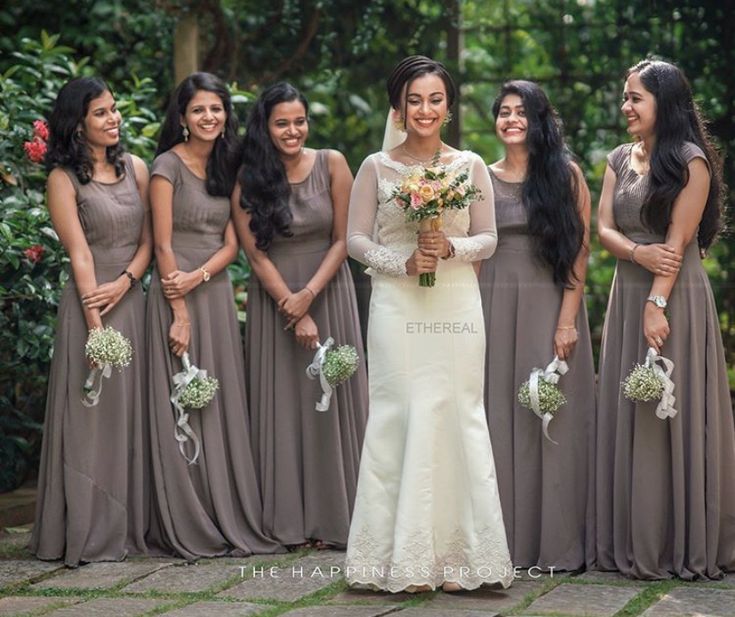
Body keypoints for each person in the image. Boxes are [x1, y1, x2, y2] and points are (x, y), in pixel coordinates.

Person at [344, 55, 513, 592]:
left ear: (449, 106)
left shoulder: (471, 166)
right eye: (414, 99)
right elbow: (356, 241)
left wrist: (450, 248)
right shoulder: (375, 166)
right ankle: (398, 560)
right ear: (398, 106)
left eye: (435, 99)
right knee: (398, 414)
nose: (425, 109)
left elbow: (489, 237)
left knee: (459, 414)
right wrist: (402, 262)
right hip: (396, 306)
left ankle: (464, 558)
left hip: (456, 304)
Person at [596, 59, 735, 579]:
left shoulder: (689, 161)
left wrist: (656, 305)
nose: (626, 106)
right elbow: (604, 228)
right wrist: (636, 254)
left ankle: (679, 541)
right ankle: (632, 537)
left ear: (664, 103)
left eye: (635, 98)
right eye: (625, 96)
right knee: (632, 409)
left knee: (667, 413)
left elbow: (676, 245)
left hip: (674, 297)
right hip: (628, 288)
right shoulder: (617, 159)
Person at [146, 72, 282, 560]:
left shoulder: (230, 164)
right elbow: (161, 244)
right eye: (199, 110)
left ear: (227, 115)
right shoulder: (166, 166)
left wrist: (199, 278)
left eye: (217, 109)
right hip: (171, 292)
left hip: (214, 290)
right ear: (182, 117)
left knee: (218, 401)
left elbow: (233, 244)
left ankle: (224, 508)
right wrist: (178, 309)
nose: (209, 117)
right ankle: (184, 516)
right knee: (179, 402)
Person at [231, 82, 368, 549]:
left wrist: (308, 296)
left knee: (331, 402)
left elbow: (343, 238)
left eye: (299, 121)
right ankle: (287, 522)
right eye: (282, 123)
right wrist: (290, 304)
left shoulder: (332, 163)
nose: (293, 131)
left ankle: (339, 519)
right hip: (275, 299)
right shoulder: (248, 178)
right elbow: (254, 254)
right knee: (286, 405)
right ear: (265, 128)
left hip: (328, 290)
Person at [30, 77, 152, 566]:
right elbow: (79, 254)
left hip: (131, 299)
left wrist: (126, 282)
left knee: (130, 416)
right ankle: (85, 528)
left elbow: (150, 241)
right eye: (101, 112)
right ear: (77, 124)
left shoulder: (137, 168)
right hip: (90, 309)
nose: (114, 118)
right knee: (90, 416)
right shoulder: (62, 180)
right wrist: (95, 323)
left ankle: (128, 528)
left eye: (114, 109)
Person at [479, 81, 595, 571]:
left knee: (550, 417)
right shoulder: (479, 176)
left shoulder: (564, 175)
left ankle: (557, 542)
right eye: (503, 112)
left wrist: (567, 321)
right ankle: (500, 538)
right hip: (492, 307)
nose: (511, 120)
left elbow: (580, 251)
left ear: (539, 119)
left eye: (521, 112)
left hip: (550, 306)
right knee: (496, 414)